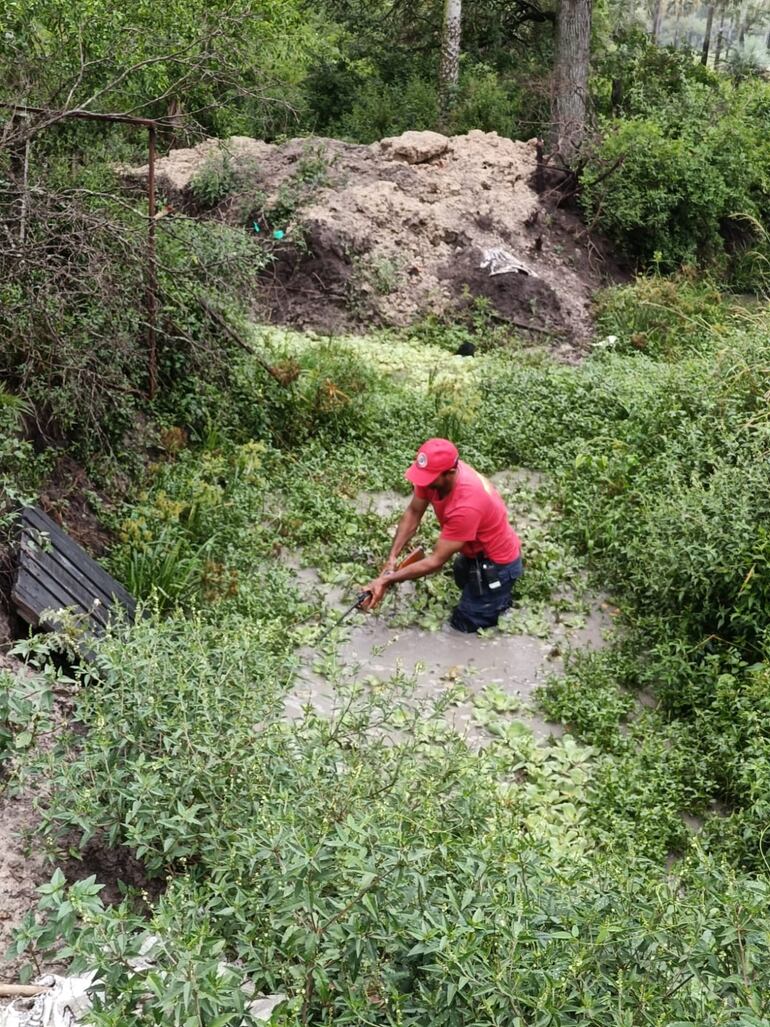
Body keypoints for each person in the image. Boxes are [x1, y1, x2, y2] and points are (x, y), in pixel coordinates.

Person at [361, 438, 523, 632]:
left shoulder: (467, 503)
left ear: (450, 473)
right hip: (472, 552)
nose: (423, 483)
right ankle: (491, 600)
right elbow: (413, 513)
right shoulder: (431, 475)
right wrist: (392, 558)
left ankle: (499, 602)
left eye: (428, 478)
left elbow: (436, 560)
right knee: (461, 576)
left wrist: (386, 580)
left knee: (463, 626)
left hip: (498, 562)